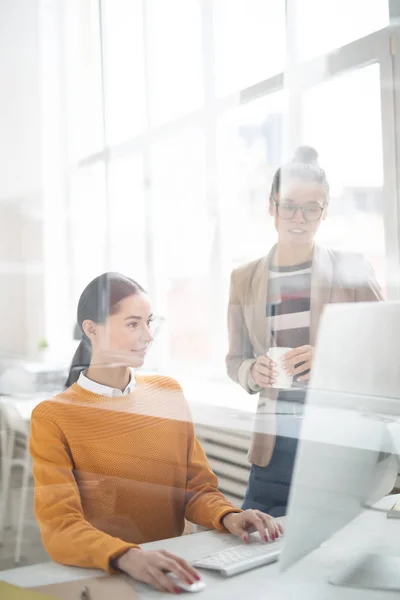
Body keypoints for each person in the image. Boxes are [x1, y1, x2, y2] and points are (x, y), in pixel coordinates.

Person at [30, 272, 282, 595]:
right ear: (91, 329)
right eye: (133, 324)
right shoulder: (54, 417)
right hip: (111, 575)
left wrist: (228, 515)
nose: (148, 336)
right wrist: (128, 556)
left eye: (149, 322)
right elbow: (60, 528)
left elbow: (196, 490)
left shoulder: (168, 393)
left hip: (175, 568)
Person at [226, 146, 383, 518]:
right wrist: (252, 371)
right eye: (289, 205)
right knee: (256, 544)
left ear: (324, 211)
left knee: (329, 558)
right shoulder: (243, 278)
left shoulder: (353, 269)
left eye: (312, 208)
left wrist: (330, 357)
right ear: (272, 206)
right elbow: (235, 359)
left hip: (338, 447)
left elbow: (389, 351)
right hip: (272, 452)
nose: (299, 217)